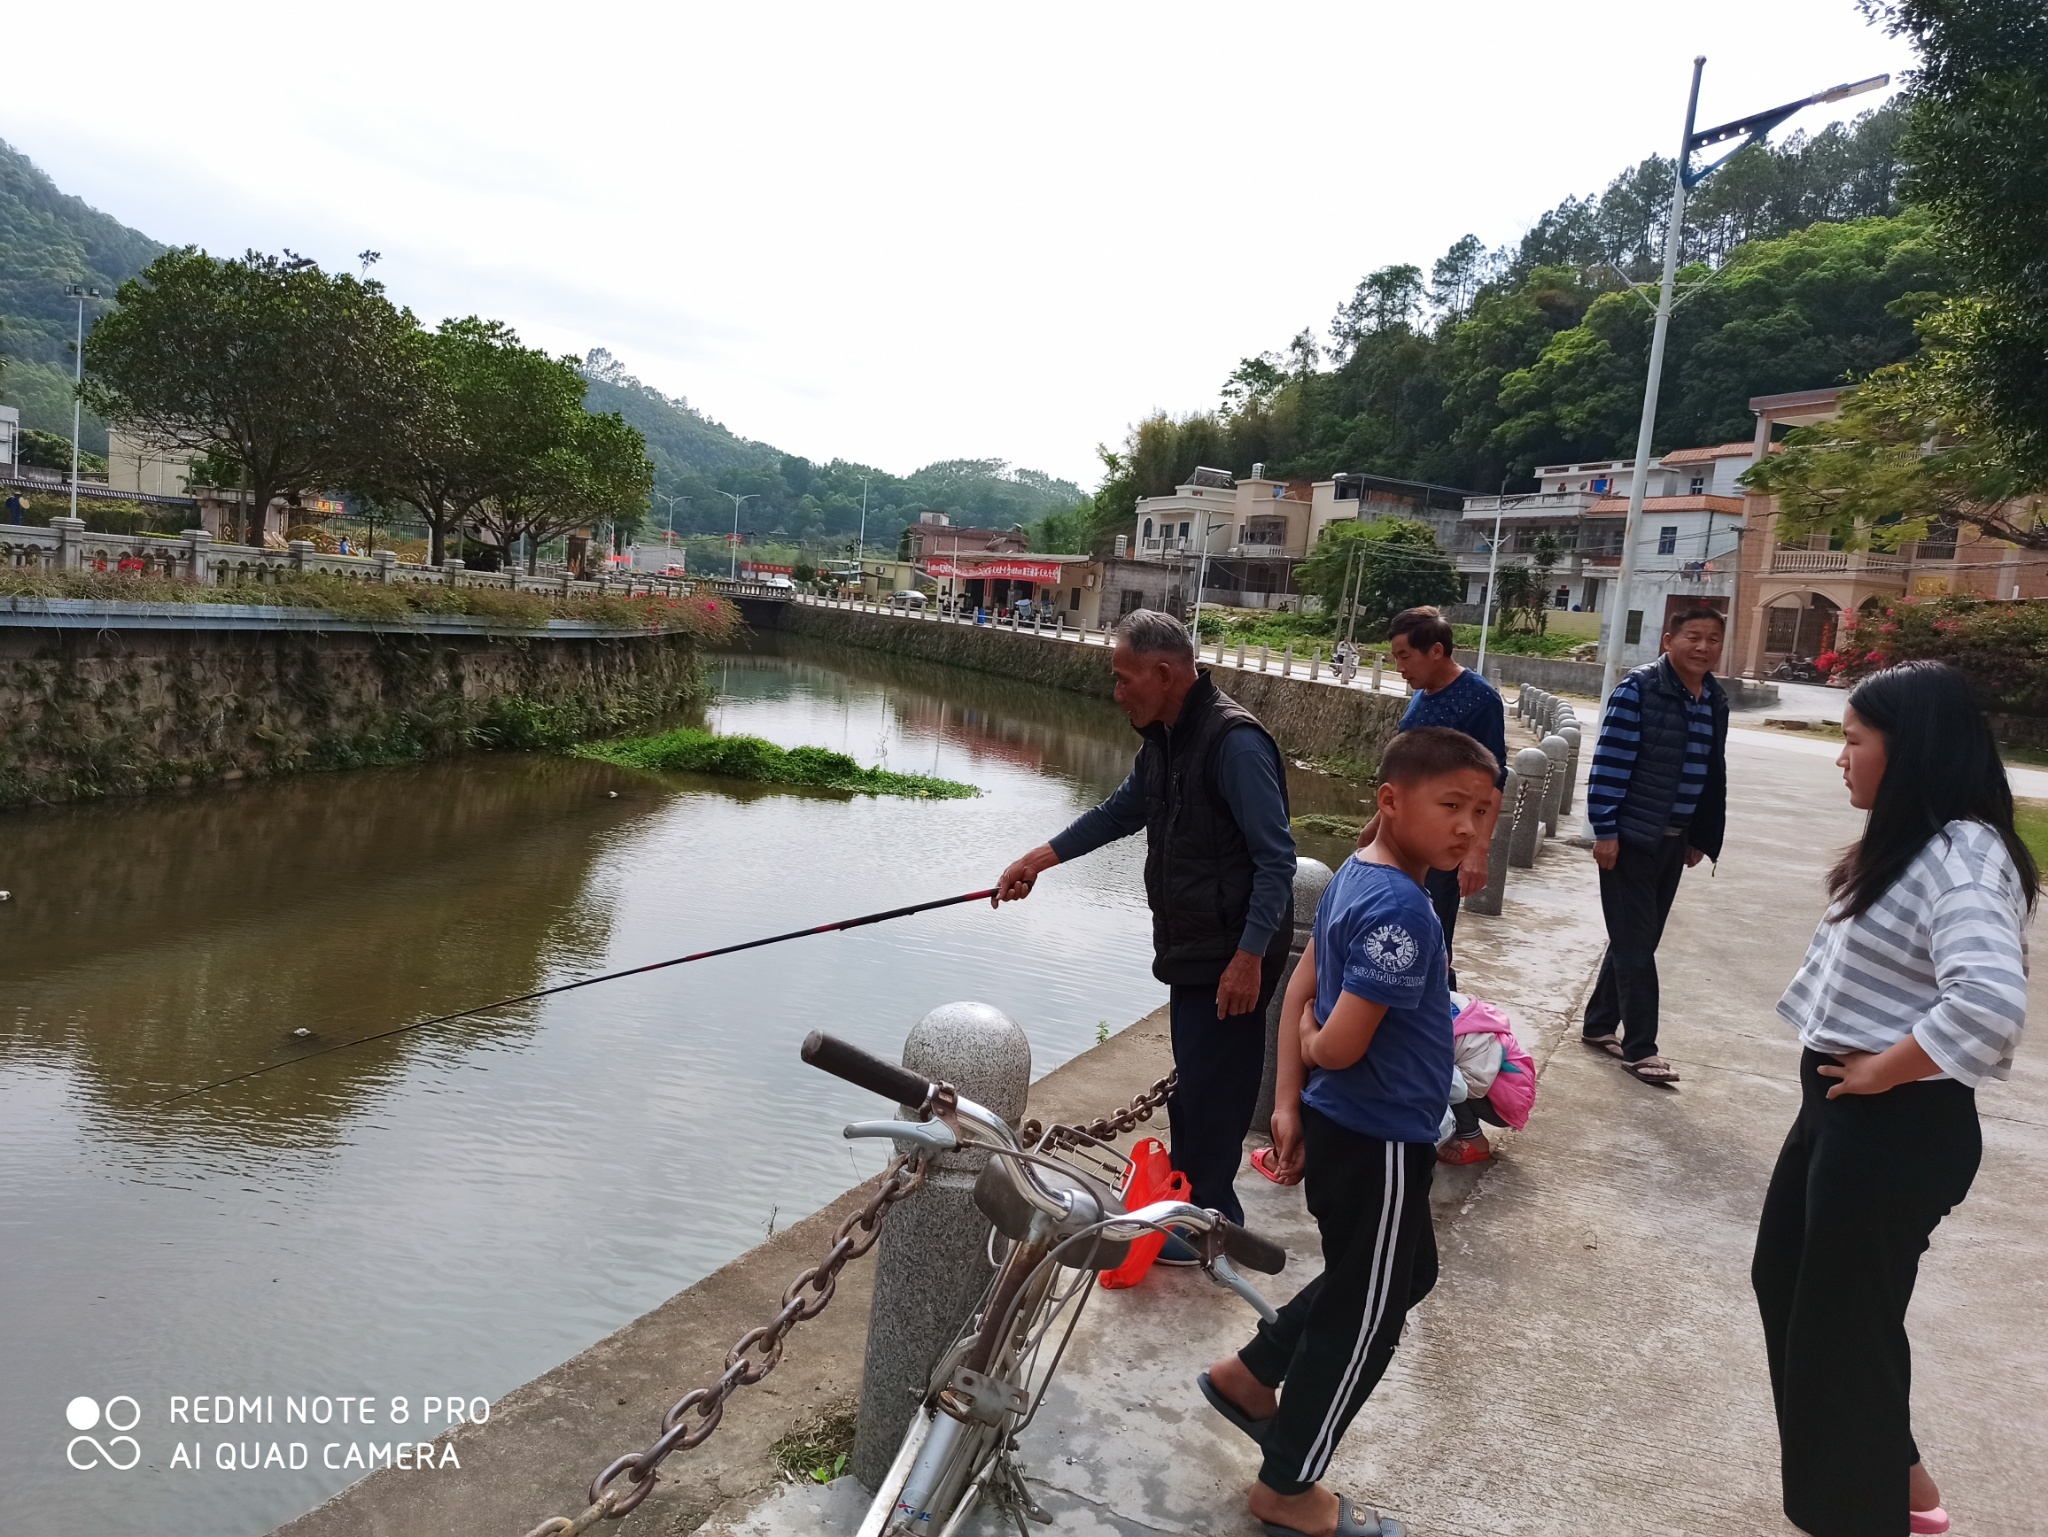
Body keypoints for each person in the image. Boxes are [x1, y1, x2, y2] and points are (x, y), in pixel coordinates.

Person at [1752, 661, 2033, 1537]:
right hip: (1846, 1108)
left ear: (1905, 752)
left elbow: (1988, 1003)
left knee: (1839, 1326)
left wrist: (1885, 1069)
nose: (1842, 758)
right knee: (1790, 1282)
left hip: (1894, 1121)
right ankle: (1896, 1472)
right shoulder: (1913, 841)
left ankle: (1862, 1513)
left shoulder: (1960, 855)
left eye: (1854, 740)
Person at [1198, 726, 1498, 1537]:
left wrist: (1290, 1101)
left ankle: (1251, 1374)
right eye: (1451, 806)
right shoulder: (1403, 907)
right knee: (1371, 1315)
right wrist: (1307, 1056)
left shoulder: (1358, 875)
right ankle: (1288, 1484)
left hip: (1346, 1126)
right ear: (1390, 802)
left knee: (1402, 1273)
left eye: (1484, 812)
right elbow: (1337, 1035)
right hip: (1381, 1139)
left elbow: (1303, 979)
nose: (1469, 828)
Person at [996, 609, 1295, 1243]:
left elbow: (1276, 861)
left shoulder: (1233, 743)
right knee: (1195, 1086)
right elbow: (1117, 814)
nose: (1117, 691)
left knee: (1214, 1095)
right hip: (1190, 943)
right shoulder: (1164, 741)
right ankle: (1190, 1215)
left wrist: (1249, 957)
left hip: (1231, 952)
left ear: (1164, 673)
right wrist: (1038, 861)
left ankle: (1209, 1227)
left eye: (1124, 677)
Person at [1579, 604, 1730, 1086]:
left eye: (1712, 639)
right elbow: (1610, 762)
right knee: (1637, 943)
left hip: (1674, 838)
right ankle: (1642, 1048)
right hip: (1630, 838)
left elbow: (1712, 773)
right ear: (1669, 641)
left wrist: (1700, 836)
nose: (1703, 647)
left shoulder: (1713, 699)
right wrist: (1604, 830)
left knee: (1635, 939)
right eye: (1693, 637)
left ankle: (1600, 1024)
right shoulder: (1639, 688)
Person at [1380, 606, 1507, 995]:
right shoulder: (1422, 695)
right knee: (1395, 929)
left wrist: (1477, 850)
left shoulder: (1478, 698)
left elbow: (1493, 781)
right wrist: (1376, 829)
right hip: (1402, 836)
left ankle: (1440, 1019)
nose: (1400, 667)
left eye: (1405, 656)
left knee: (1434, 937)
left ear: (1436, 651)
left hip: (1440, 840)